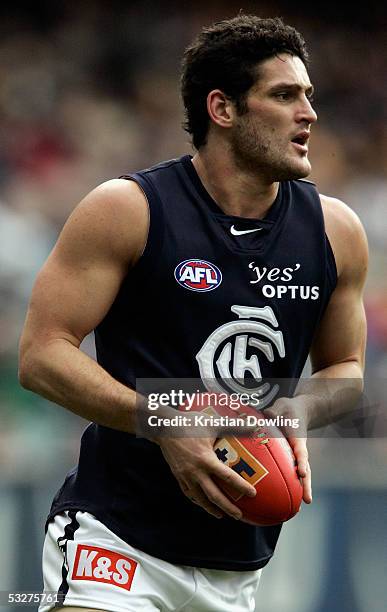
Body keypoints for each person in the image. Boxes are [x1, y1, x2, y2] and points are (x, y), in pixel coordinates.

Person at [19, 14, 367, 612]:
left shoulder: (336, 231)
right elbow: (42, 356)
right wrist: (165, 420)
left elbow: (348, 370)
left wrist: (300, 407)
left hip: (241, 564)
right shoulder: (128, 209)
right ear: (222, 109)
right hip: (116, 541)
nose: (308, 113)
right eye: (284, 96)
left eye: (308, 96)